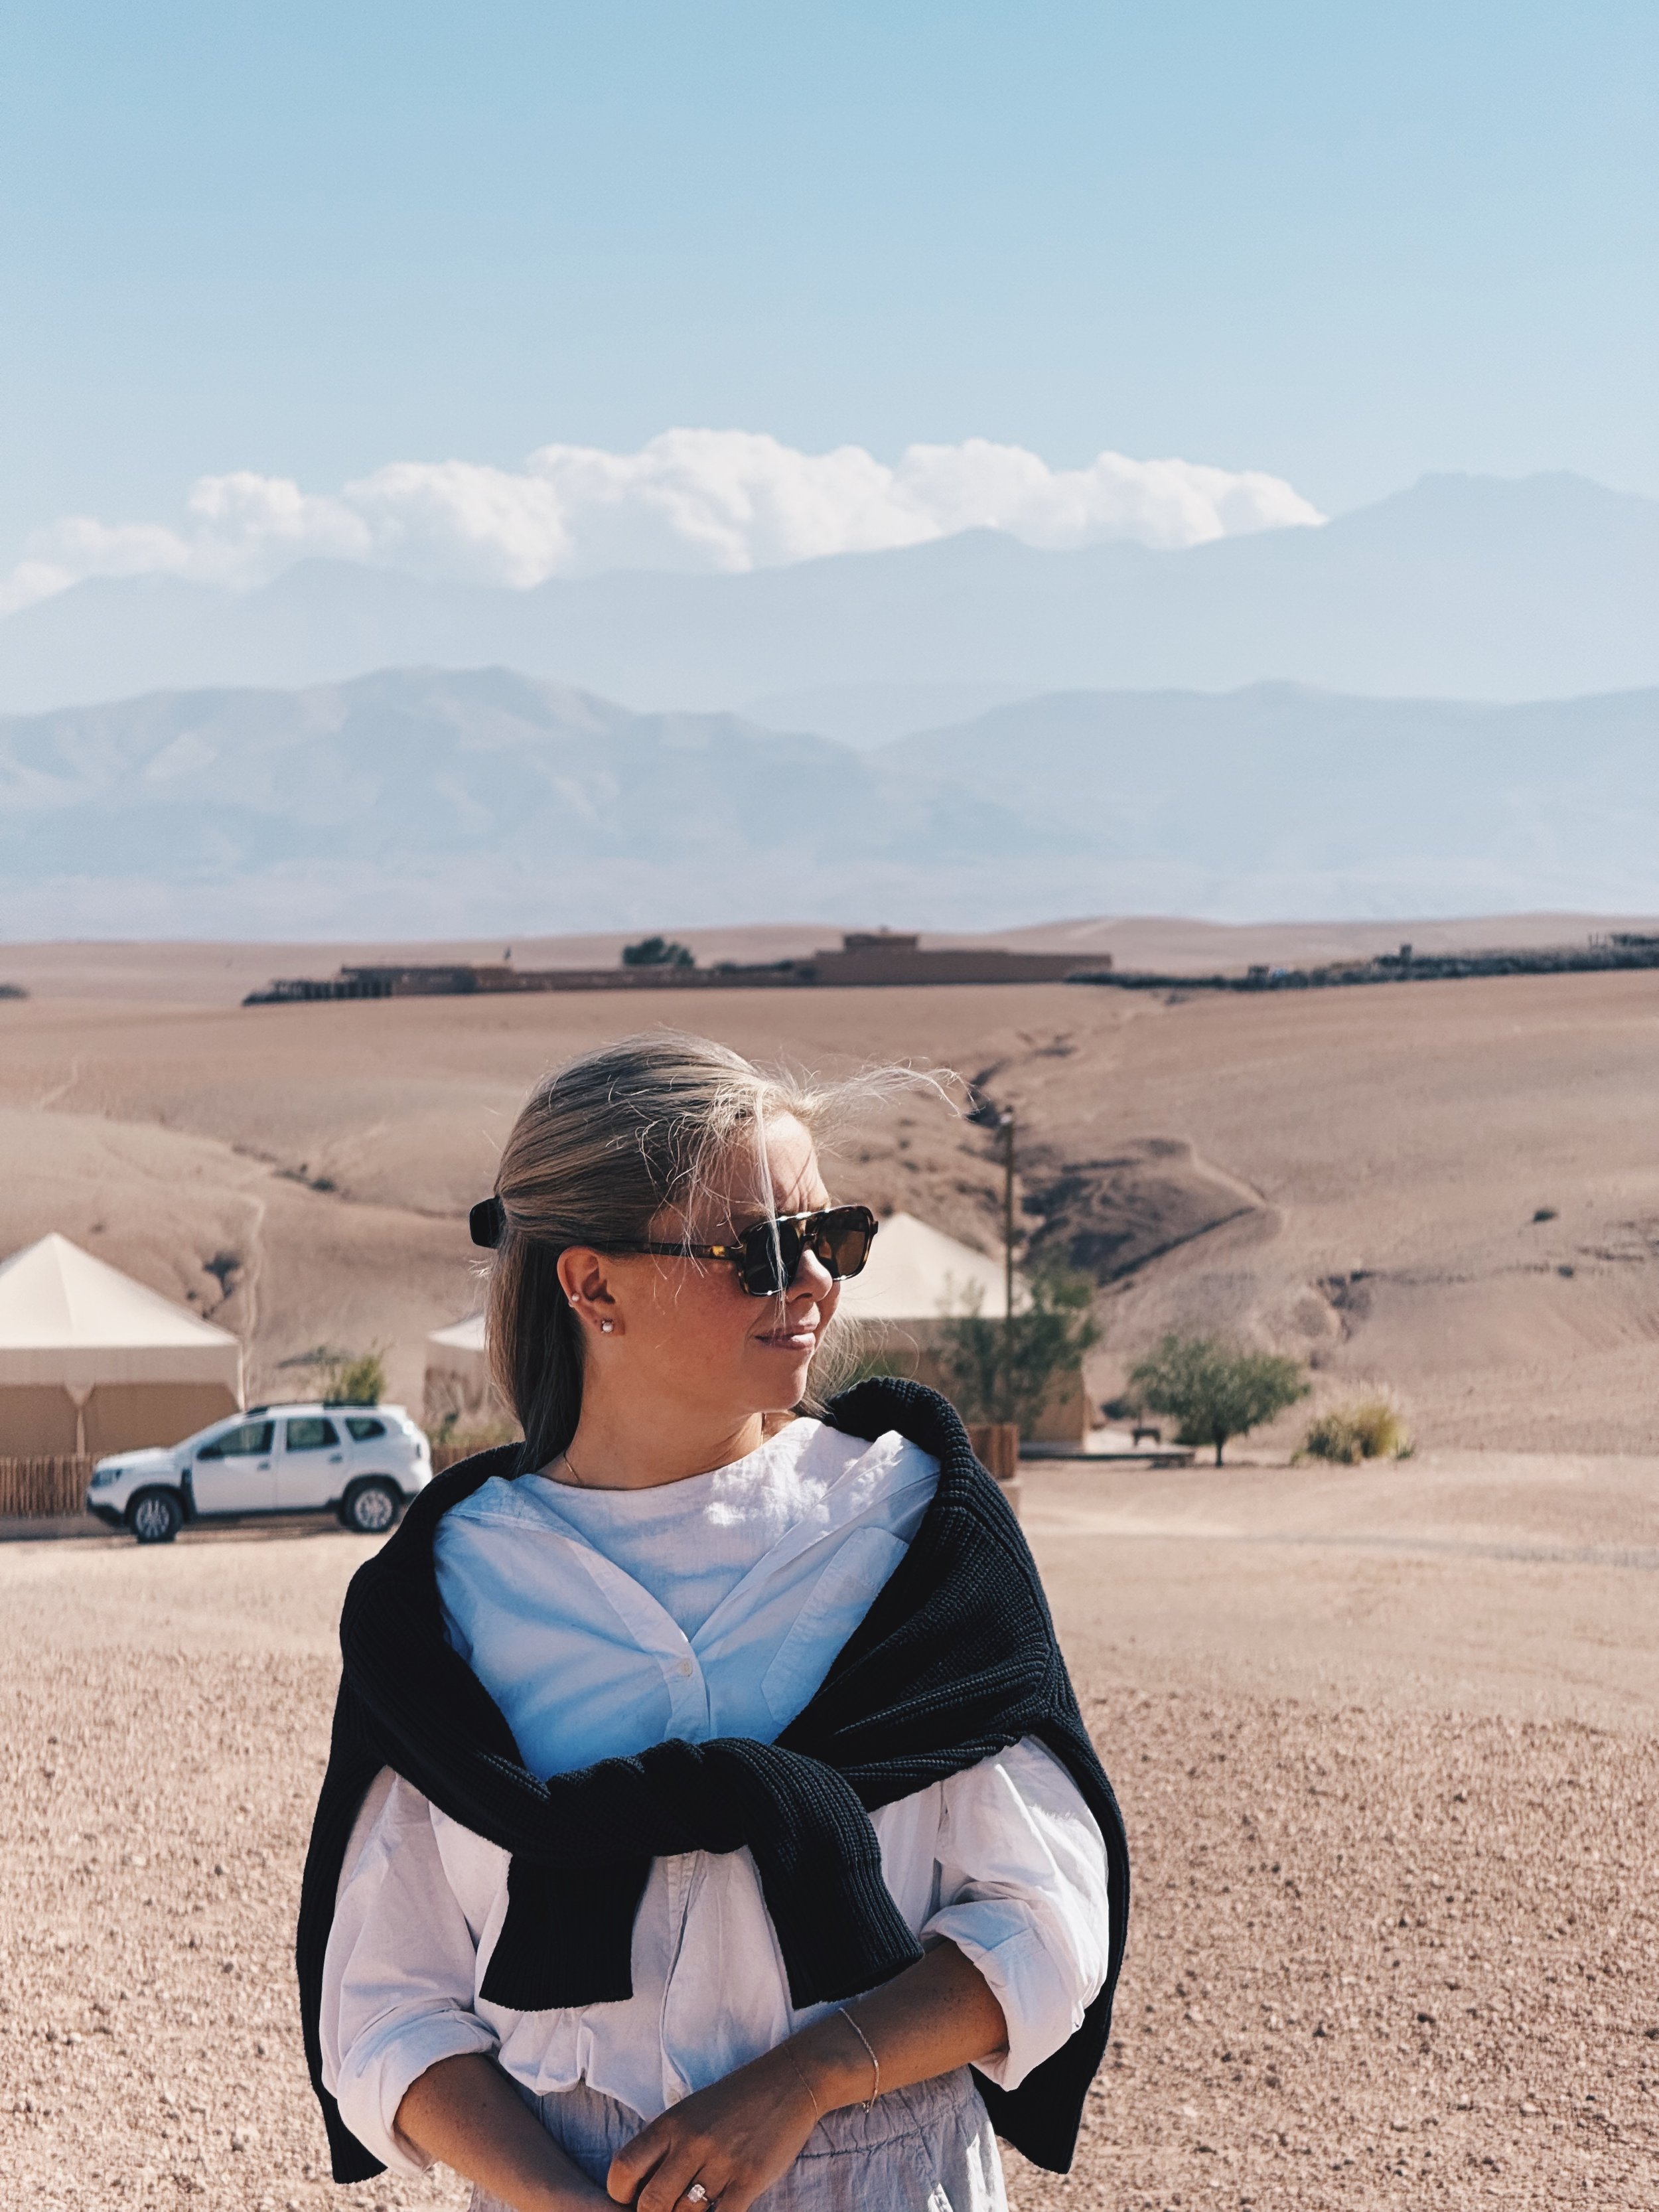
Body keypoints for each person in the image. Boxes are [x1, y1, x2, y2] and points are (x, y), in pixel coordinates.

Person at [297, 1034, 1128, 2211]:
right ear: (591, 1286)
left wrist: (806, 2080)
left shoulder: (919, 1533)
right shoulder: (442, 1596)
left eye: (833, 1236)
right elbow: (387, 1999)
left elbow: (1045, 1922)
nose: (815, 1281)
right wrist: (571, 2200)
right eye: (760, 1251)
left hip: (885, 2173)